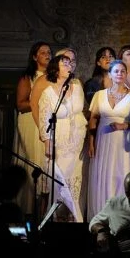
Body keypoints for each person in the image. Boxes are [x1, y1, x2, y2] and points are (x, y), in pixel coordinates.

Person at [37, 52, 87, 221]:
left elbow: (82, 111)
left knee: (75, 181)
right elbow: (44, 120)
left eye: (70, 63)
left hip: (77, 141)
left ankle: (75, 218)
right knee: (60, 180)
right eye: (64, 63)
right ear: (56, 69)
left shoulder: (77, 87)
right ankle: (57, 217)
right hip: (60, 142)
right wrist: (47, 143)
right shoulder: (48, 93)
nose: (69, 66)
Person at [86, 59, 130, 221]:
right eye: (116, 71)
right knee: (103, 175)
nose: (119, 74)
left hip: (123, 142)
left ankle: (121, 216)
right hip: (103, 140)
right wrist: (91, 143)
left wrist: (125, 125)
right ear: (110, 74)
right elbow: (93, 119)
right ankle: (101, 216)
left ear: (126, 74)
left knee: (121, 174)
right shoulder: (99, 95)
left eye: (122, 71)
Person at [14, 41, 51, 215]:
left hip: (46, 122)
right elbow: (21, 104)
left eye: (49, 52)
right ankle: (27, 207)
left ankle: (43, 210)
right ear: (35, 57)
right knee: (32, 160)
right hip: (30, 121)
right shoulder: (28, 77)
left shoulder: (53, 77)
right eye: (43, 52)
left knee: (45, 162)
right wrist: (40, 102)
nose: (47, 55)